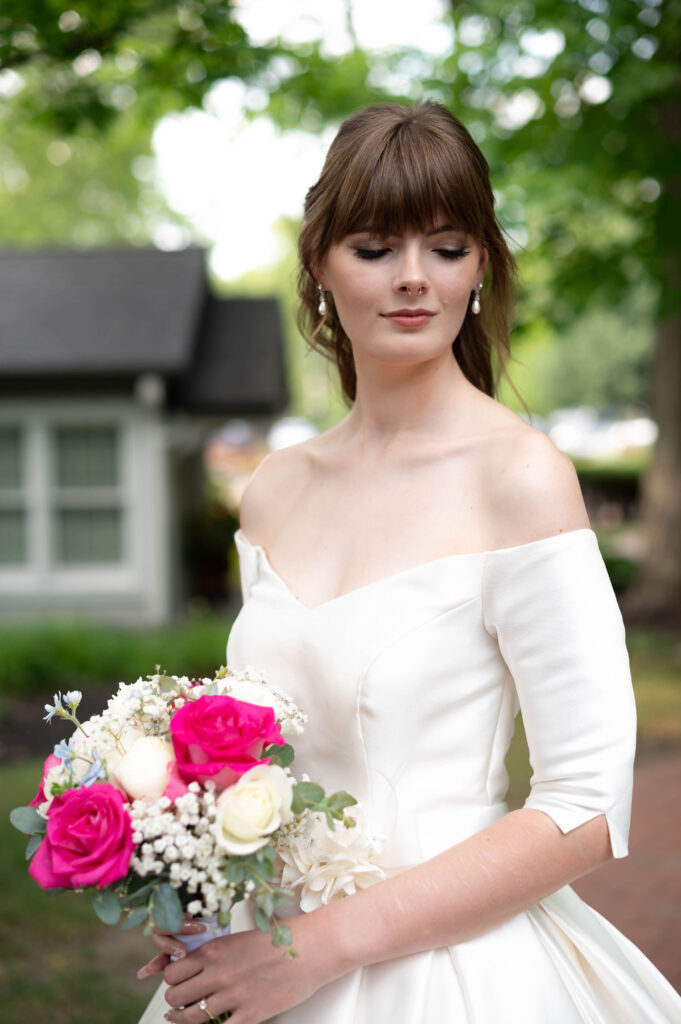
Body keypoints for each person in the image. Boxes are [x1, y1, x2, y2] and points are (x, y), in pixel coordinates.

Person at [136, 101, 681, 1023]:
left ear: (482, 267)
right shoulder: (274, 489)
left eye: (448, 245)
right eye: (374, 246)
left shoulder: (520, 479)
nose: (413, 280)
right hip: (252, 955)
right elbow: (263, 752)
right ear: (319, 264)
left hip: (450, 974)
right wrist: (189, 882)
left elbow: (586, 805)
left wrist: (321, 948)